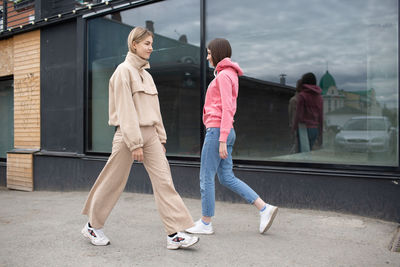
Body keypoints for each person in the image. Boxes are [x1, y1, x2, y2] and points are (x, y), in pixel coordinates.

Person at [81, 26, 199, 250]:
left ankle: (174, 234)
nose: (151, 48)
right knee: (113, 182)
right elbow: (126, 111)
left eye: (152, 43)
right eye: (147, 43)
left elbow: (155, 110)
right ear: (134, 44)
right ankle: (92, 226)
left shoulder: (147, 76)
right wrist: (135, 143)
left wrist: (161, 138)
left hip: (151, 135)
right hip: (128, 135)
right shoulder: (122, 72)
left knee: (164, 181)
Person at [186, 38, 278, 235]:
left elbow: (228, 108)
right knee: (226, 177)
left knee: (206, 177)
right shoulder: (227, 74)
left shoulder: (224, 76)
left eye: (209, 53)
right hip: (223, 131)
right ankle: (264, 208)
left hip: (218, 131)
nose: (207, 57)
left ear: (218, 53)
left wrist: (221, 139)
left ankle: (205, 222)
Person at [292, 72, 323, 152]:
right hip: (315, 129)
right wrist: (320, 132)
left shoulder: (302, 95)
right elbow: (320, 116)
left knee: (301, 154)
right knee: (308, 152)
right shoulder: (319, 97)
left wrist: (294, 128)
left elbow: (298, 114)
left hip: (304, 129)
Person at [288, 79, 302, 153]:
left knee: (296, 145)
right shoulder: (295, 100)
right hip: (300, 127)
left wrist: (291, 125)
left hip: (297, 127)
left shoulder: (293, 100)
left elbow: (290, 115)